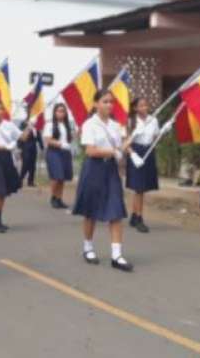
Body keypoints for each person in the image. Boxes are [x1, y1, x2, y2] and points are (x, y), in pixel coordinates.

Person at [72, 89, 133, 272]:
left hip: (111, 170)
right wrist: (114, 152)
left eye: (111, 102)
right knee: (91, 211)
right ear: (96, 104)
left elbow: (122, 146)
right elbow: (90, 150)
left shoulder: (116, 125)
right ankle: (88, 248)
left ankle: (117, 255)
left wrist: (131, 152)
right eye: (105, 101)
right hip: (94, 169)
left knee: (115, 210)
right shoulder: (89, 125)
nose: (109, 105)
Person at [0, 102, 30, 233]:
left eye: (2, 109)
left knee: (4, 192)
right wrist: (6, 147)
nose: (0, 111)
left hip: (7, 159)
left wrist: (29, 126)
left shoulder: (9, 125)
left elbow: (23, 137)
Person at [125, 97, 161, 233]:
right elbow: (126, 142)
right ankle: (139, 218)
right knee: (138, 187)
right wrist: (133, 155)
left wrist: (163, 131)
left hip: (148, 151)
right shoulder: (131, 121)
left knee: (142, 187)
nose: (144, 108)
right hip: (136, 151)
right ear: (135, 108)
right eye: (141, 106)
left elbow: (155, 138)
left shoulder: (153, 120)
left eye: (146, 105)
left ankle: (134, 216)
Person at [42, 103, 73, 209]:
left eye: (63, 111)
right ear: (54, 112)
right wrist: (60, 144)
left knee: (62, 178)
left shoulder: (66, 125)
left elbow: (69, 139)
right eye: (59, 111)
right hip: (54, 152)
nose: (61, 113)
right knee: (56, 176)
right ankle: (53, 197)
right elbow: (47, 140)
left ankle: (59, 199)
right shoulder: (49, 125)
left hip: (65, 153)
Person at [18, 119, 42, 187]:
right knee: (25, 164)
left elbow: (39, 137)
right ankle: (20, 180)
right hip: (25, 147)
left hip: (33, 148)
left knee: (32, 166)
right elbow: (20, 135)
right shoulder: (24, 123)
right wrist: (19, 147)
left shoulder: (36, 126)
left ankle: (30, 181)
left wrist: (41, 146)